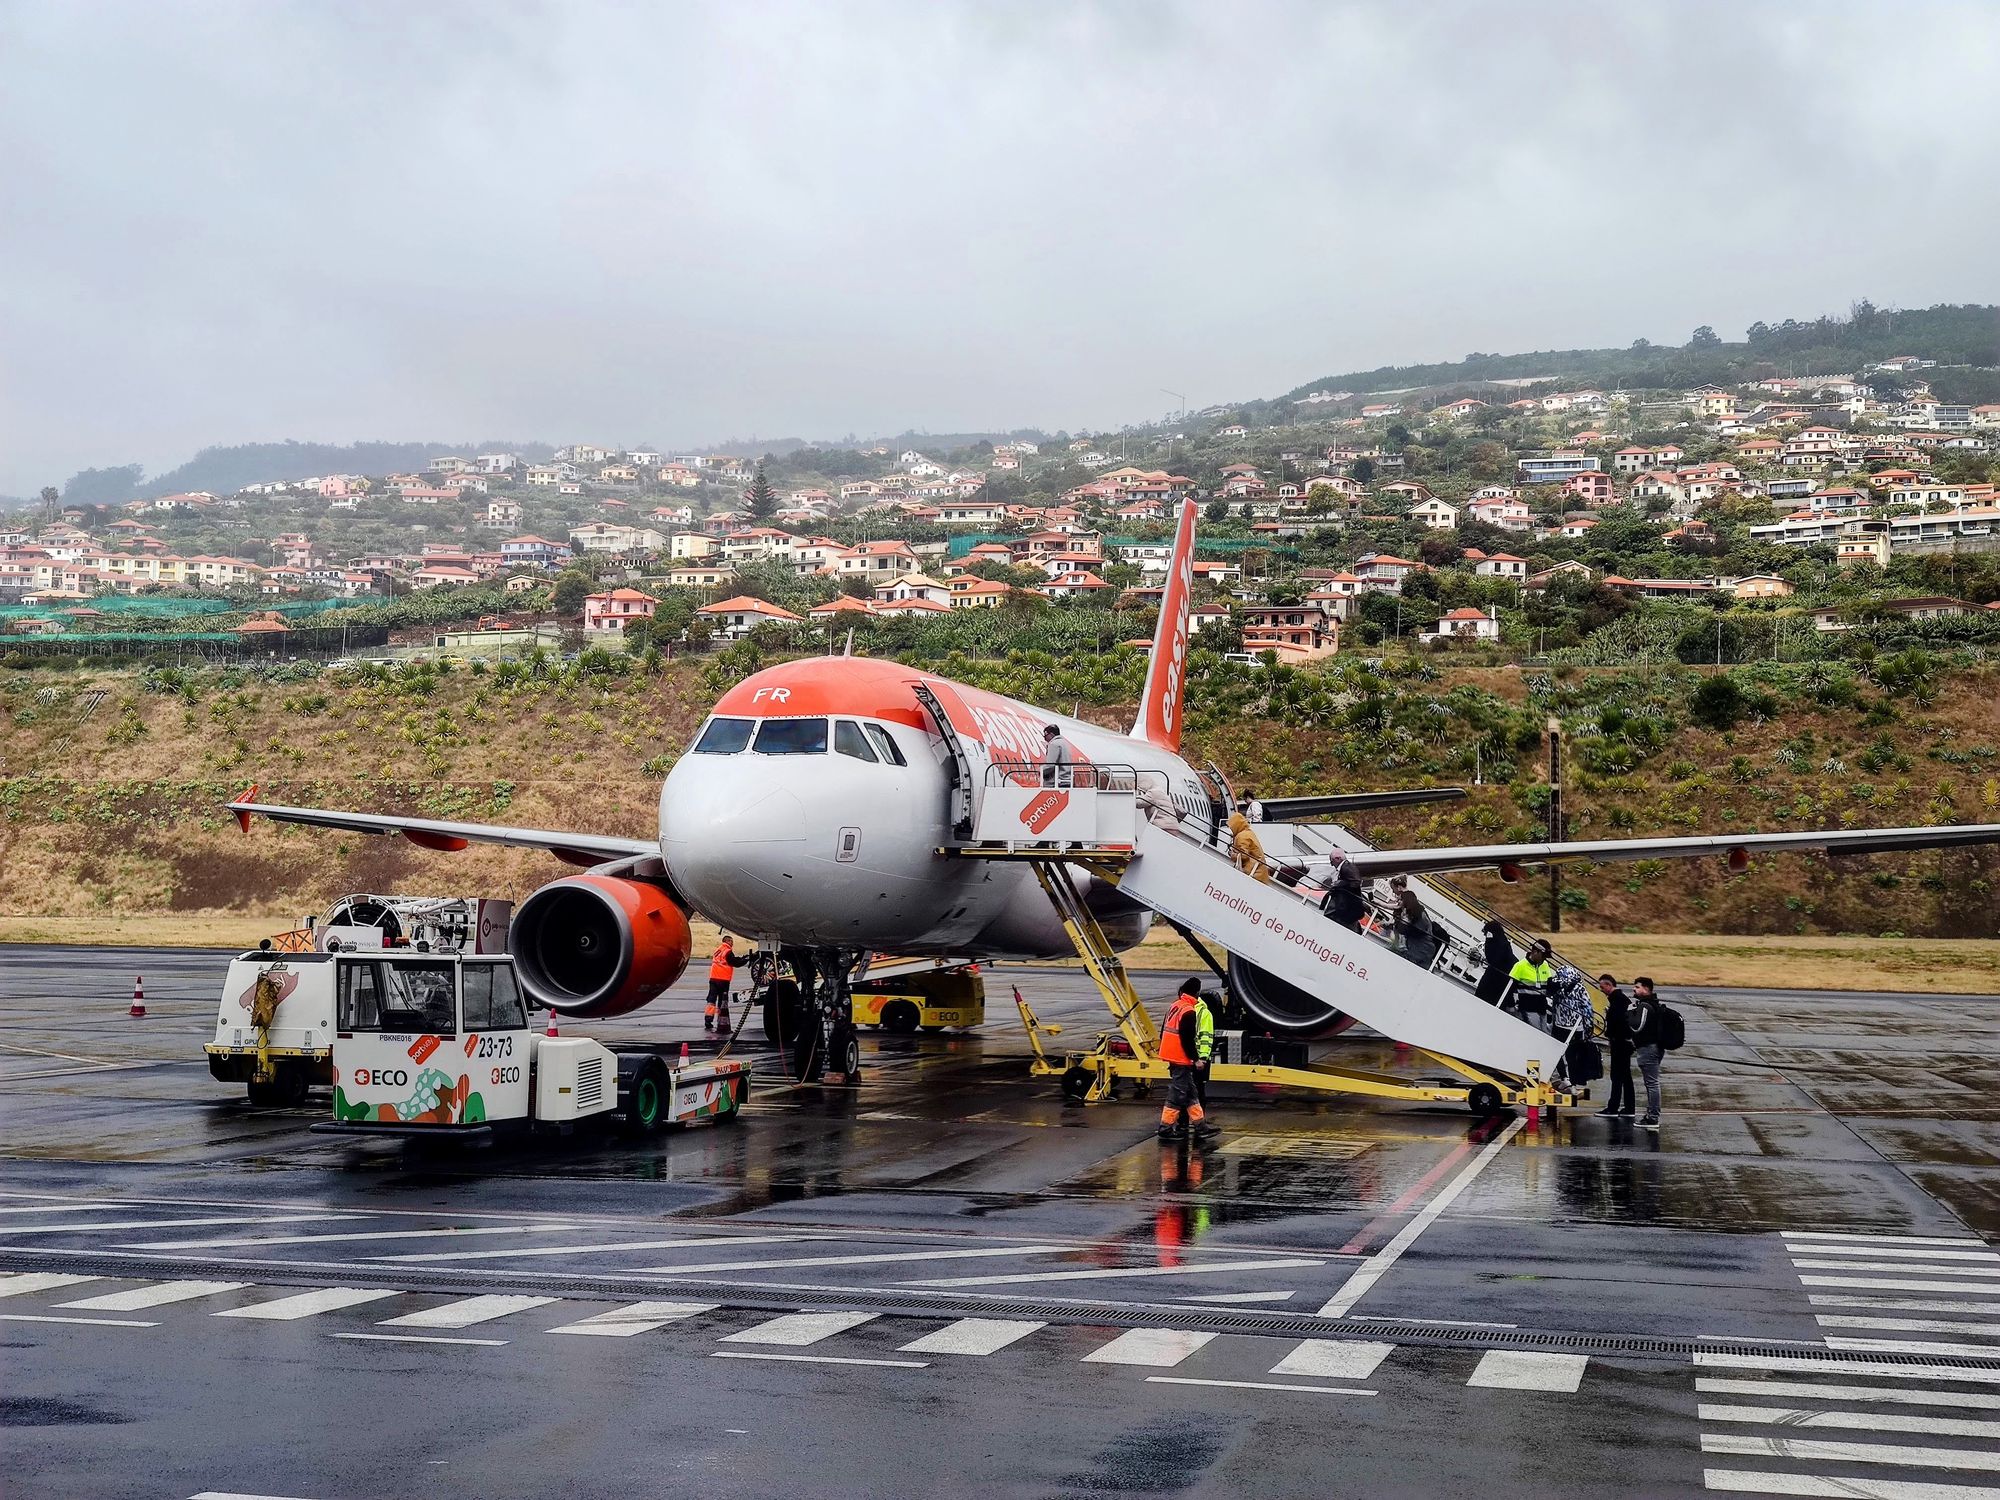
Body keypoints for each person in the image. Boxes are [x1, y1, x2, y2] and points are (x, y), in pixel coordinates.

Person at [1157, 978, 1218, 1144]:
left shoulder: (1175, 1006)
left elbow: (1164, 1031)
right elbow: (1187, 1040)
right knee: (1177, 1095)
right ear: (1197, 993)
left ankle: (1201, 1127)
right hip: (1181, 1058)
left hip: (1172, 1056)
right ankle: (1165, 1128)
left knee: (1191, 1094)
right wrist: (1196, 1059)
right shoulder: (1189, 1011)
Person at [1627, 976, 1665, 1129]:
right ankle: (1651, 1115)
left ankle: (1653, 1117)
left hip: (1648, 1048)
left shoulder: (1645, 1006)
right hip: (1653, 1047)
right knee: (1651, 1083)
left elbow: (1636, 1027)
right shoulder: (1653, 1004)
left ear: (1646, 989)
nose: (1634, 990)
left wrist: (1630, 1013)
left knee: (1652, 1083)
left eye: (1637, 987)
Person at [1595, 973, 1634, 1117]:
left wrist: (1609, 1029)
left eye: (1602, 986)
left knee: (1617, 1076)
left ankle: (1613, 1107)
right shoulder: (1622, 1000)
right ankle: (1629, 1108)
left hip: (1620, 1043)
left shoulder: (1617, 1001)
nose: (1601, 990)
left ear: (1609, 985)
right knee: (1625, 1076)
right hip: (1625, 1042)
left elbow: (1617, 1023)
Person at [1388, 876, 1441, 969]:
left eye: (1400, 900)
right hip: (1421, 951)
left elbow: (1407, 930)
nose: (1397, 900)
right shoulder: (1419, 915)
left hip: (1418, 952)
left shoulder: (1417, 917)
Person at [1508, 940, 1556, 1031]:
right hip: (1527, 1010)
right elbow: (1509, 988)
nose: (1544, 959)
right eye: (1543, 956)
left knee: (1544, 1036)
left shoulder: (1545, 964)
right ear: (1535, 952)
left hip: (1542, 1010)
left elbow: (1549, 985)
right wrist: (1511, 1006)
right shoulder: (1520, 966)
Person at [705, 935, 745, 1034]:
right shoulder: (727, 951)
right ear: (728, 941)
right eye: (731, 941)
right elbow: (735, 962)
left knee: (711, 1000)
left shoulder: (718, 950)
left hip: (713, 978)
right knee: (722, 1002)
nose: (732, 943)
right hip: (723, 980)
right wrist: (745, 960)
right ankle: (721, 1020)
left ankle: (708, 1019)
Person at [1321, 849, 1367, 931]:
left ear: (1338, 859)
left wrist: (1340, 884)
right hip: (1346, 907)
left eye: (1332, 861)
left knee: (1342, 923)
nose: (1332, 864)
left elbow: (1356, 882)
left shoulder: (1347, 867)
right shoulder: (1347, 867)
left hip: (1347, 906)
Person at [1474, 920, 1515, 1005]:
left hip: (1494, 982)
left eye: (1485, 933)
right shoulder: (1505, 944)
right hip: (1497, 982)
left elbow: (1493, 960)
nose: (1485, 936)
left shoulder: (1498, 945)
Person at [1226, 812, 1271, 881]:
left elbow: (1244, 855)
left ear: (1236, 825)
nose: (1231, 829)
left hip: (1253, 873)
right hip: (1260, 871)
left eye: (1232, 827)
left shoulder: (1242, 836)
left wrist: (1232, 855)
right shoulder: (1248, 832)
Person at [1040, 721, 1075, 787]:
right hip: (1066, 780)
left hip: (1056, 781)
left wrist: (1041, 771)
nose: (1044, 738)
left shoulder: (1054, 744)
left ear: (1051, 734)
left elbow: (1050, 765)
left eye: (1045, 735)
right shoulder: (1065, 743)